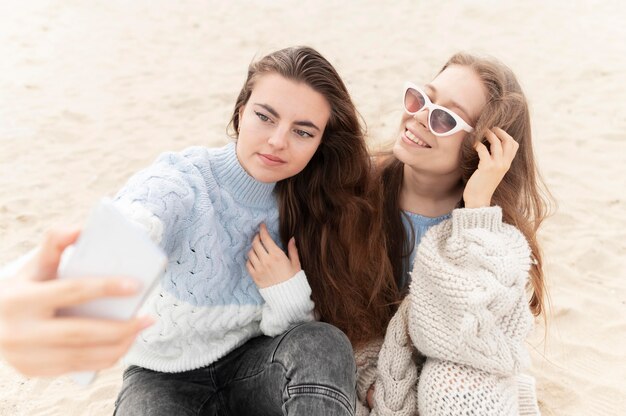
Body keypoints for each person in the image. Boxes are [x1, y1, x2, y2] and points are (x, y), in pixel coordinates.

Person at [0, 46, 399, 416]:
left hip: (254, 368)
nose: (278, 142)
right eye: (265, 116)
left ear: (320, 143)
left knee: (324, 341)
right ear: (240, 111)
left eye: (303, 131)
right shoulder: (182, 183)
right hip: (162, 379)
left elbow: (299, 343)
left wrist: (287, 293)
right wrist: (27, 294)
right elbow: (132, 223)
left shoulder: (317, 203)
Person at [355, 52, 552, 415]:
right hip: (368, 369)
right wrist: (373, 382)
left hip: (458, 373)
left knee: (452, 384)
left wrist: (476, 209)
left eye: (444, 118)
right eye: (420, 98)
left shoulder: (492, 234)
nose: (419, 117)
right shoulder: (357, 195)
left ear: (484, 145)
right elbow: (337, 315)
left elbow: (468, 344)